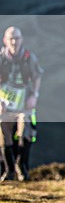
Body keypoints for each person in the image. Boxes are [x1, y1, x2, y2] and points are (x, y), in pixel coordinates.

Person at [0, 26, 43, 181]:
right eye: (11, 38)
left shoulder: (28, 58)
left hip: (24, 105)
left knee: (26, 134)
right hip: (4, 106)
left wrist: (35, 95)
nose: (14, 41)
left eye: (16, 38)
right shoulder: (1, 58)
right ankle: (9, 171)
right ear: (5, 40)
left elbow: (37, 75)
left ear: (21, 40)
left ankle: (21, 167)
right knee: (5, 138)